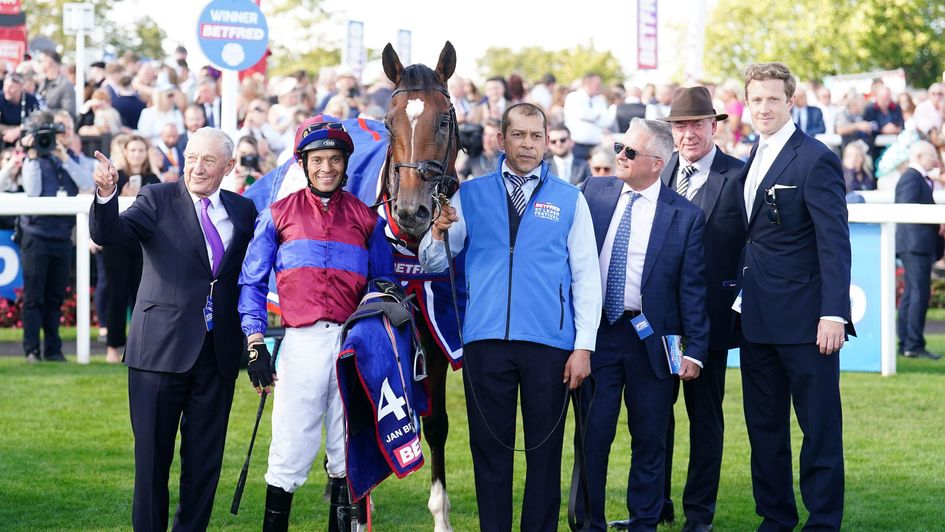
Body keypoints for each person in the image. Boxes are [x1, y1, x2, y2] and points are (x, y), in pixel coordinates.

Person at [419, 102, 601, 531]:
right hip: (485, 344)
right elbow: (432, 261)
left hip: (550, 347)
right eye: (519, 135)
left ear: (545, 142)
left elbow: (586, 278)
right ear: (501, 139)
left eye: (536, 136)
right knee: (490, 454)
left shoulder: (570, 199)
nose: (529, 144)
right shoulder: (471, 193)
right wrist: (437, 230)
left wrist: (584, 346)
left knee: (544, 455)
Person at [89, 127, 258, 530]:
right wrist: (107, 194)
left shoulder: (243, 211)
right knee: (151, 464)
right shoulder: (156, 199)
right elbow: (108, 234)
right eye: (192, 157)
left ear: (229, 167)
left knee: (204, 466)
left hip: (217, 357)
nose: (197, 168)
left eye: (209, 161)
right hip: (158, 353)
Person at [238, 118, 394, 531]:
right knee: (290, 449)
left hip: (350, 346)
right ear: (304, 164)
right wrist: (255, 343)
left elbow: (384, 285)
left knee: (346, 452)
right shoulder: (277, 215)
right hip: (300, 344)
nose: (327, 167)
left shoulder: (366, 220)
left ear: (345, 164)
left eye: (335, 159)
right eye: (318, 159)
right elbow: (251, 282)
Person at [577, 118, 708, 532]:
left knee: (650, 440)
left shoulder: (685, 216)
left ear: (656, 163)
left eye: (630, 152)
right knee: (592, 438)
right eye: (620, 146)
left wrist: (697, 350)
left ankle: (644, 523)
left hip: (652, 343)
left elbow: (693, 288)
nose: (619, 156)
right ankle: (587, 523)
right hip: (597, 336)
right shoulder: (593, 193)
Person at [739, 62, 853, 531]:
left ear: (790, 101)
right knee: (764, 431)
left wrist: (834, 314)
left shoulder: (815, 157)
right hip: (756, 319)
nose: (763, 107)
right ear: (746, 105)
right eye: (756, 99)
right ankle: (775, 519)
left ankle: (823, 522)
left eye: (772, 98)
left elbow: (834, 242)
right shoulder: (752, 153)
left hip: (808, 322)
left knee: (819, 430)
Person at [656, 86, 745, 532]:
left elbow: (750, 251)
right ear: (670, 132)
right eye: (680, 126)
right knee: (656, 419)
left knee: (705, 421)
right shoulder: (659, 171)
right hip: (659, 325)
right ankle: (656, 505)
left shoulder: (739, 177)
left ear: (714, 126)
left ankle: (699, 515)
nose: (688, 133)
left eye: (696, 124)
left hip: (710, 324)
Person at [19, 110, 94, 363]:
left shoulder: (77, 159)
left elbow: (86, 183)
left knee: (55, 297)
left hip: (62, 237)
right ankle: (31, 350)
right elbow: (33, 192)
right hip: (36, 235)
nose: (61, 133)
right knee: (33, 296)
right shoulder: (36, 158)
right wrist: (32, 155)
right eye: (57, 128)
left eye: (66, 128)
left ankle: (54, 349)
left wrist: (64, 158)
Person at [101, 135, 161, 364]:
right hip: (117, 244)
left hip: (143, 245)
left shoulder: (153, 179)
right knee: (117, 295)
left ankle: (140, 346)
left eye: (140, 150)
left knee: (142, 296)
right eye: (132, 150)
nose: (136, 154)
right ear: (125, 152)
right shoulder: (116, 177)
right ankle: (113, 347)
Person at [895, 140, 942, 360]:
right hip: (915, 245)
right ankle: (913, 345)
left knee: (911, 295)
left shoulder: (918, 178)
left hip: (916, 245)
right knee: (918, 295)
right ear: (921, 156)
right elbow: (907, 211)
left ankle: (907, 342)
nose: (935, 159)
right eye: (932, 155)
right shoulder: (912, 177)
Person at [564, 73, 612, 160]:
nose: (599, 86)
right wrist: (598, 114)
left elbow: (607, 121)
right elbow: (580, 113)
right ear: (587, 83)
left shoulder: (600, 99)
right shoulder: (573, 97)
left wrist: (591, 116)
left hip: (597, 146)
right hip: (577, 145)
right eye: (597, 84)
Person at [0, 73, 41, 148]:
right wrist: (15, 130)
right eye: (5, 86)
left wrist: (18, 131)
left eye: (11, 87)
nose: (7, 90)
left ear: (21, 87)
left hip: (24, 139)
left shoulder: (31, 100)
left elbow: (37, 122)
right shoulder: (1, 98)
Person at [37, 50, 76, 117]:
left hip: (54, 125)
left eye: (41, 61)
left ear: (49, 62)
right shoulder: (43, 83)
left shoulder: (65, 85)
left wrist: (46, 114)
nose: (39, 64)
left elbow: (69, 113)